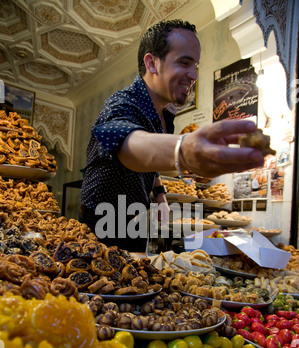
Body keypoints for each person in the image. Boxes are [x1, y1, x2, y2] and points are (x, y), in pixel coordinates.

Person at [80, 19, 264, 252]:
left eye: (196, 65)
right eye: (185, 62)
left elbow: (151, 163)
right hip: (101, 224)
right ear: (152, 63)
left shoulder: (166, 113)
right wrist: (184, 151)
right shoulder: (122, 103)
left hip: (134, 220)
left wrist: (160, 196)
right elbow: (126, 143)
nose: (194, 74)